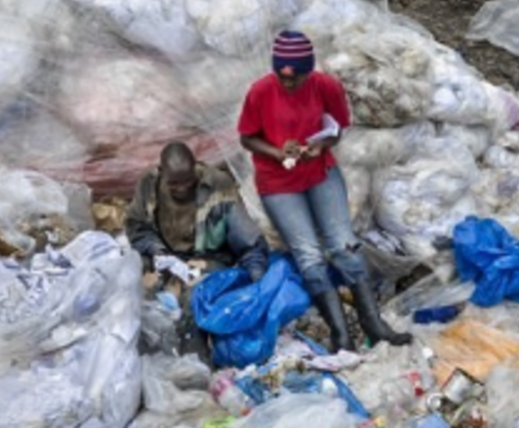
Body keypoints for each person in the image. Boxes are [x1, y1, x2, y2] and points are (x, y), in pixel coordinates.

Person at [237, 30, 411, 352]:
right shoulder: (260, 91)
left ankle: (373, 322)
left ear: (308, 69)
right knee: (309, 254)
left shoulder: (326, 86)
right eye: (282, 77)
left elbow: (337, 128)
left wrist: (322, 144)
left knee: (345, 244)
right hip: (278, 182)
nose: (288, 84)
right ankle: (340, 333)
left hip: (320, 171)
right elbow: (247, 137)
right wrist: (278, 152)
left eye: (296, 77)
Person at [125, 142, 269, 356]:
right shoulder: (149, 185)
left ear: (195, 169)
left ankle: (195, 361)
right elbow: (136, 228)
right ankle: (149, 358)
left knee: (194, 299)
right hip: (166, 256)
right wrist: (157, 251)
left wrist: (258, 287)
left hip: (209, 259)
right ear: (162, 173)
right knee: (134, 292)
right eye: (174, 183)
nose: (182, 188)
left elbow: (249, 242)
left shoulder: (218, 185)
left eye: (187, 181)